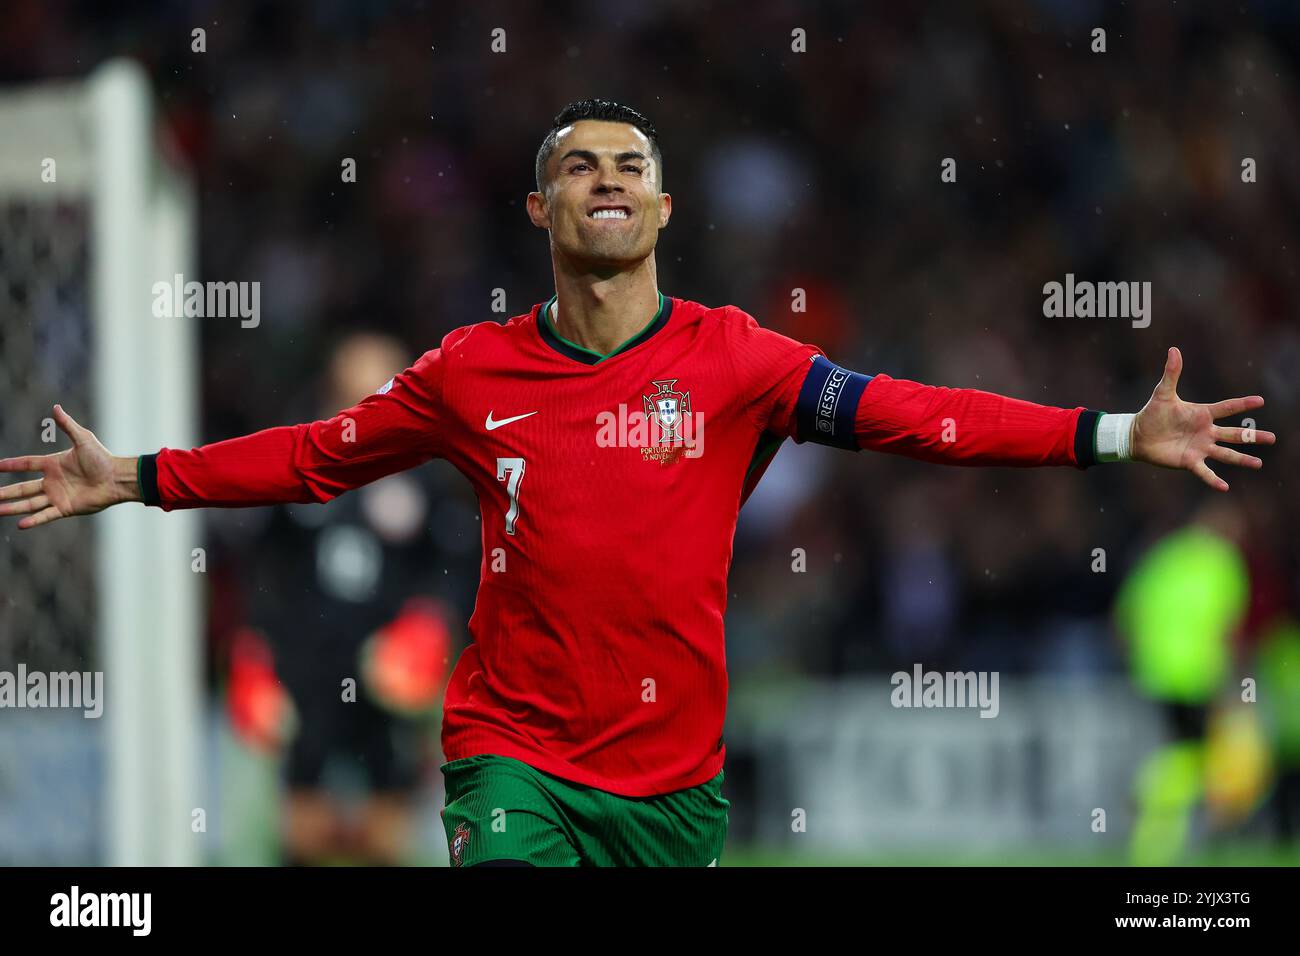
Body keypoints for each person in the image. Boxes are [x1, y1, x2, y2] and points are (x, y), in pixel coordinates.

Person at [0, 99, 1277, 867]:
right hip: (514, 755)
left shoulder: (738, 359)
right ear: (537, 204)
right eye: (578, 165)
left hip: (672, 782)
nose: (605, 180)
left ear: (662, 208)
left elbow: (914, 417)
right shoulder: (468, 371)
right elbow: (314, 453)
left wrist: (1109, 433)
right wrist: (141, 476)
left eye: (628, 167)